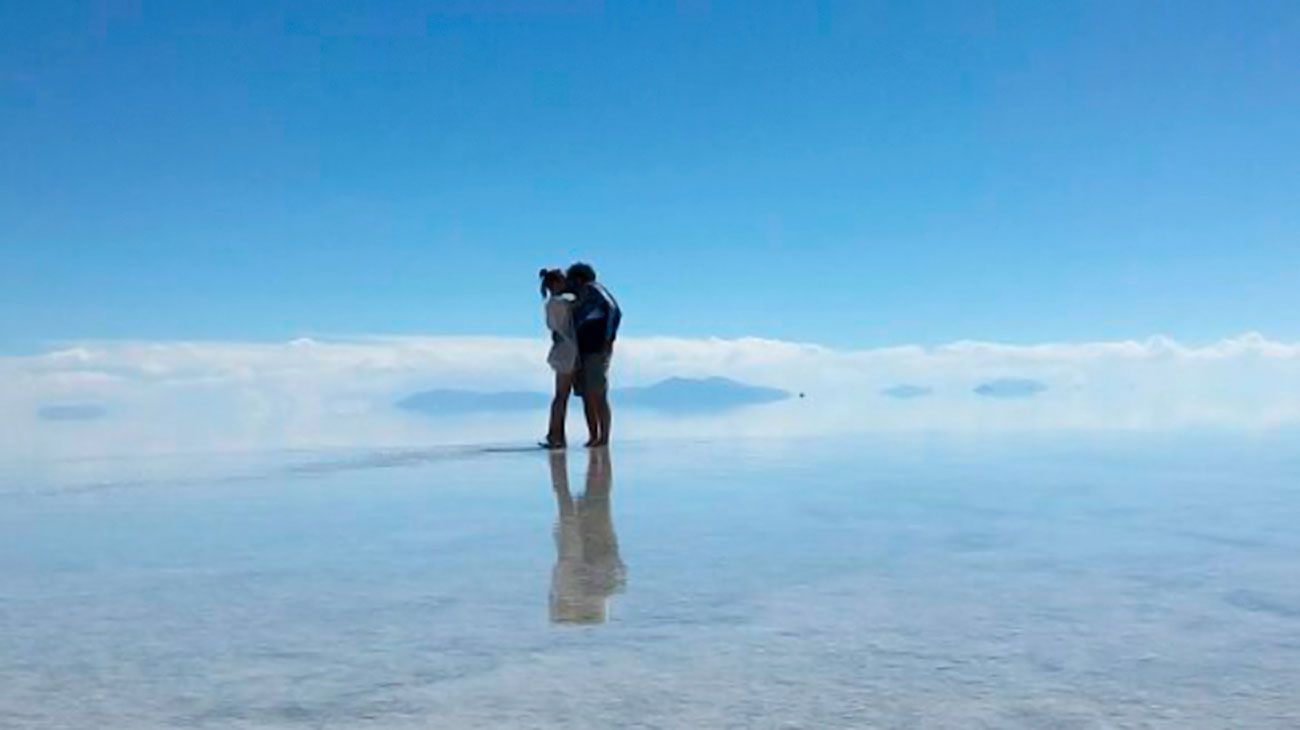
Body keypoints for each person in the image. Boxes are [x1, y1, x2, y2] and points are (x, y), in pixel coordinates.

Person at [566, 262, 621, 447]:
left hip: (596, 350)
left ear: (579, 279)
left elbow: (613, 310)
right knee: (586, 395)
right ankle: (593, 435)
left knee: (597, 393)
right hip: (582, 351)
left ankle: (603, 437)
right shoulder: (581, 296)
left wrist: (608, 339)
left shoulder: (594, 290)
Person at [539, 268, 577, 449]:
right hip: (567, 350)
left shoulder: (549, 304)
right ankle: (556, 435)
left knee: (560, 396)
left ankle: (556, 434)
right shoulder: (562, 302)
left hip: (561, 349)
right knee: (562, 396)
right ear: (556, 284)